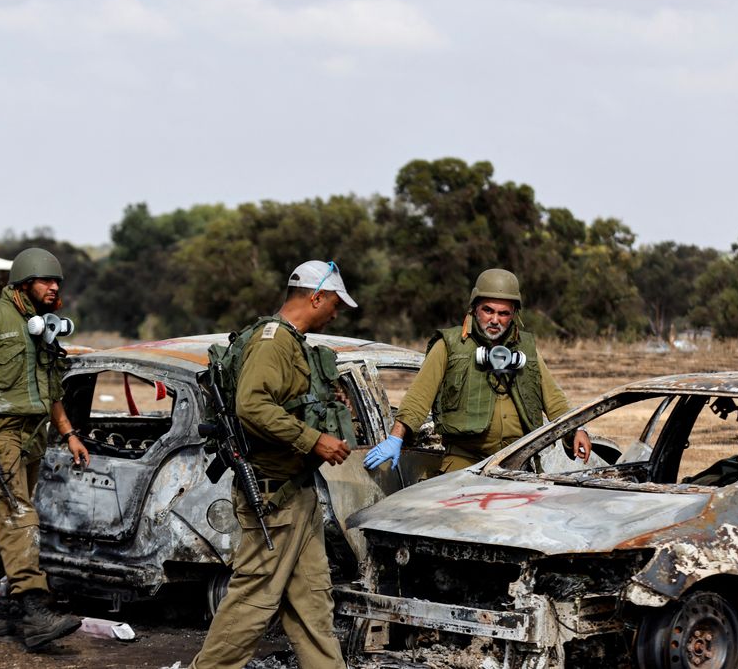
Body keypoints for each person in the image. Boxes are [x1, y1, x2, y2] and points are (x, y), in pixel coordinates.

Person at [190, 260, 357, 669]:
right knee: (254, 601)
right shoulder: (273, 342)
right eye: (334, 303)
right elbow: (252, 406)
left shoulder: (291, 341)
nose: (336, 313)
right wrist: (314, 439)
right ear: (315, 297)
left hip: (295, 493)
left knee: (312, 599)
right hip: (273, 497)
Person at [0, 247, 90, 650]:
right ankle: (32, 606)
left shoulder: (41, 325)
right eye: (46, 281)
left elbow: (52, 388)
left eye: (57, 282)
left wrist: (68, 433)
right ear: (25, 282)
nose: (54, 287)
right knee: (18, 515)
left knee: (4, 523)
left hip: (34, 435)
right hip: (0, 433)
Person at [364, 268, 591, 475]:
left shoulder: (527, 350)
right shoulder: (450, 345)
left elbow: (554, 400)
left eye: (503, 313)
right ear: (474, 308)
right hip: (465, 463)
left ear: (514, 315)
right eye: (488, 310)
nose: (494, 320)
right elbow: (418, 398)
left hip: (517, 462)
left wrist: (576, 430)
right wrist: (395, 438)